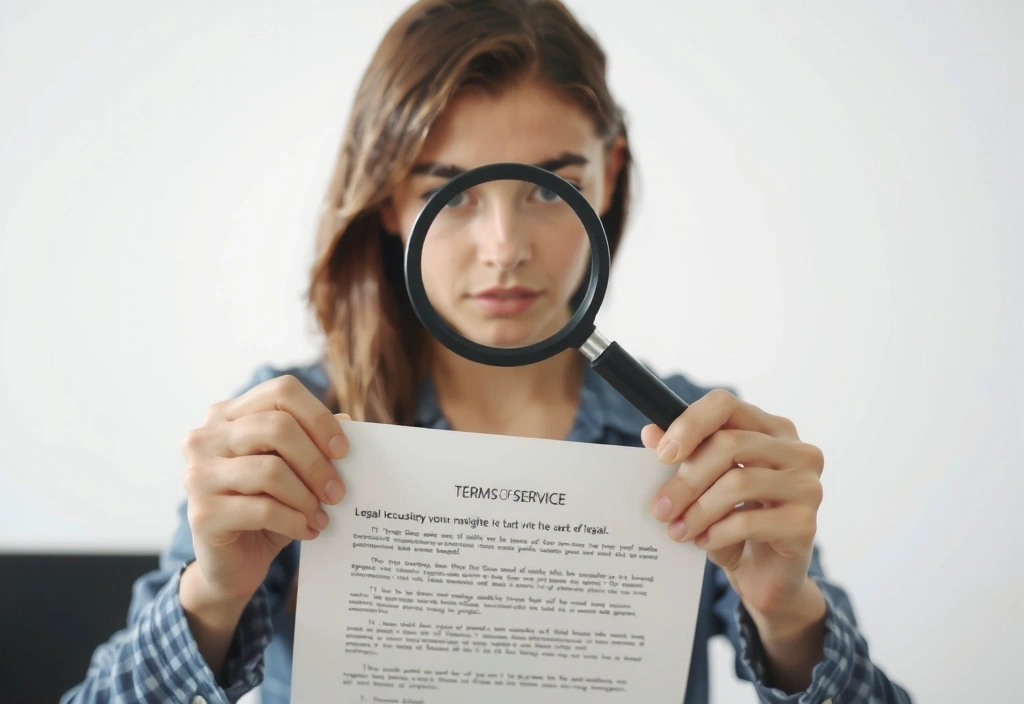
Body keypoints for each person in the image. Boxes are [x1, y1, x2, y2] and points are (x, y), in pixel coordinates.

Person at [62, 1, 913, 702]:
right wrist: (214, 595)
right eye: (450, 192)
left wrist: (788, 612)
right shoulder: (293, 427)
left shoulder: (699, 440)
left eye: (552, 186)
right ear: (390, 200)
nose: (505, 249)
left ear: (609, 175)